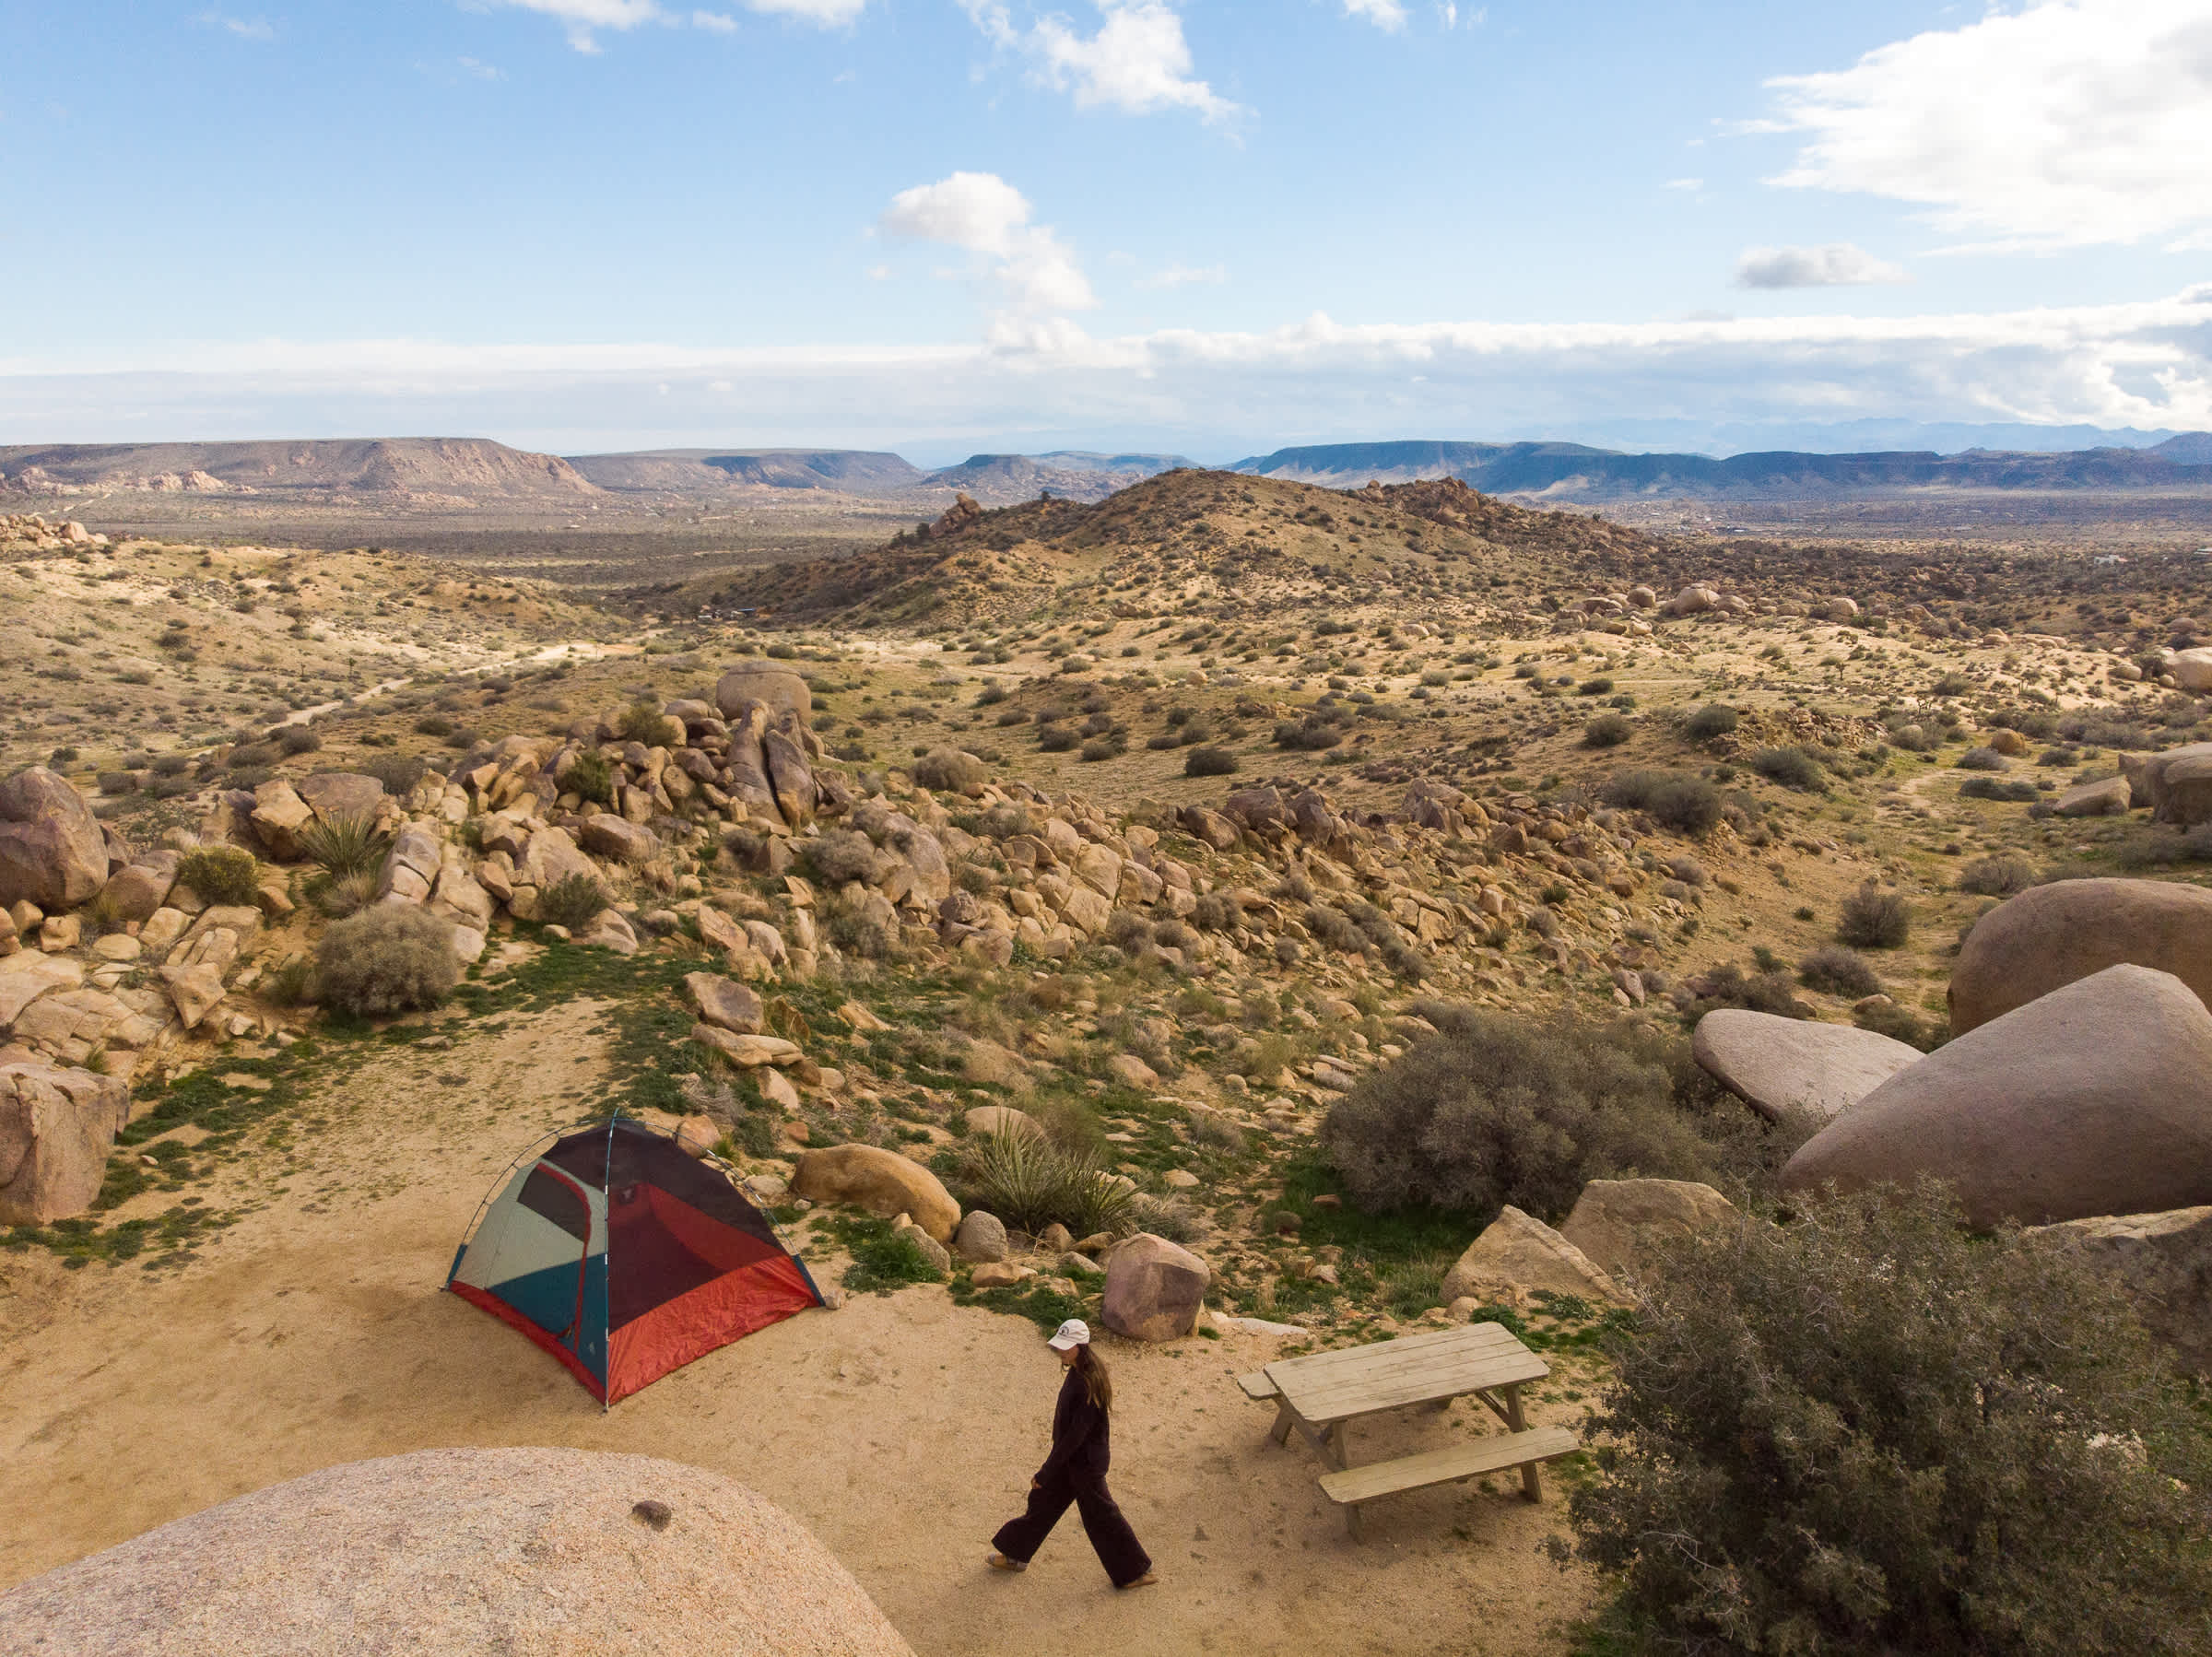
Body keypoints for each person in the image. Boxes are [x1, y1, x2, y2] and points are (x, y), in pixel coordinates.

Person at [985, 1319, 1158, 1590]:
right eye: (1060, 1346)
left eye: (1067, 1347)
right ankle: (1015, 1555)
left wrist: (1045, 1471)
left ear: (1082, 1346)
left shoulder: (1087, 1383)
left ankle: (1136, 1572)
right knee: (1043, 1502)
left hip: (1085, 1464)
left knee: (1102, 1517)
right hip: (1073, 1460)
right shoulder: (1080, 1370)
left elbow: (1074, 1438)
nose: (1061, 1352)